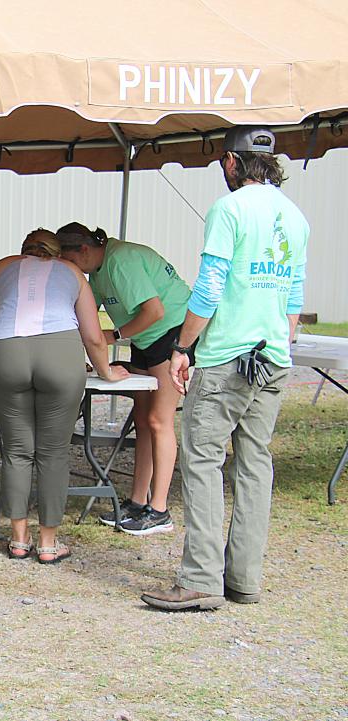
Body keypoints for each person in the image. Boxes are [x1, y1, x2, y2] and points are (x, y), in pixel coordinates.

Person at [142, 127, 308, 611]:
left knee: (203, 461)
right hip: (273, 356)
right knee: (256, 464)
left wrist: (182, 347)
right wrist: (281, 338)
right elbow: (294, 295)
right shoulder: (295, 217)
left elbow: (210, 285)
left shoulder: (230, 209)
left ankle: (200, 578)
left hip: (227, 358)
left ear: (232, 164)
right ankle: (244, 579)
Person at [0, 230, 129, 563]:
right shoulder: (73, 272)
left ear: (23, 250)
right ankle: (49, 543)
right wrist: (106, 371)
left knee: (17, 451)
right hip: (60, 352)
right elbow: (93, 336)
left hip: (7, 351)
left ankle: (18, 538)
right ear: (57, 252)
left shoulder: (1, 267)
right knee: (53, 453)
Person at [58, 222, 194, 536]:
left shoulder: (121, 261)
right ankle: (137, 501)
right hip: (146, 341)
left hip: (172, 335)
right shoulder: (96, 270)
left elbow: (155, 311)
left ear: (84, 250)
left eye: (72, 264)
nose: (72, 272)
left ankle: (159, 509)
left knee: (160, 421)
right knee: (143, 420)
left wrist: (115, 335)